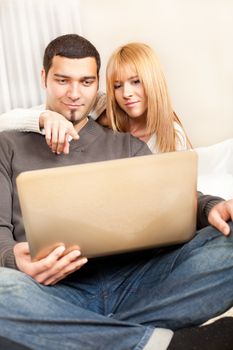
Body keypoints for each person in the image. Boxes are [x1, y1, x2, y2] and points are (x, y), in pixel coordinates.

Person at [0, 34, 233, 350]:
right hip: (49, 291)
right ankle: (158, 342)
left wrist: (211, 207)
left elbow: (175, 201)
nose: (73, 94)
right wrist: (13, 259)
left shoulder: (128, 146)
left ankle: (75, 333)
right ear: (44, 78)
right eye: (62, 80)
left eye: (85, 82)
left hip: (138, 284)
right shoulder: (8, 145)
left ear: (96, 85)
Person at [0, 43, 190, 154]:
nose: (126, 93)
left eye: (136, 82)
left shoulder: (173, 136)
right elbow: (4, 121)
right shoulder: (102, 105)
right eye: (117, 85)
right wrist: (45, 117)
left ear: (153, 82)